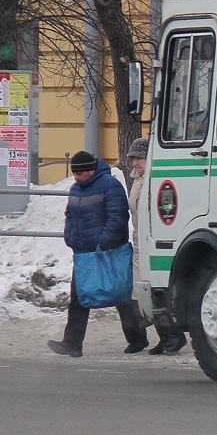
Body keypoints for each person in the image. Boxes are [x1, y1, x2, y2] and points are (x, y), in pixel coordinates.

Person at [48, 151, 148, 357]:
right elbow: (69, 215)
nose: (75, 177)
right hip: (84, 254)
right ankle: (72, 343)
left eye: (79, 173)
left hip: (109, 252)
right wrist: (70, 237)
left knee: (120, 293)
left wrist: (105, 243)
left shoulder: (110, 186)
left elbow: (118, 217)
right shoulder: (76, 189)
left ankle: (137, 337)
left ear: (91, 170)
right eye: (74, 173)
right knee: (79, 296)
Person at [125, 138, 187, 355]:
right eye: (133, 159)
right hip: (138, 241)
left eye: (139, 158)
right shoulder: (138, 180)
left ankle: (174, 335)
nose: (135, 163)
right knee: (142, 292)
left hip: (151, 240)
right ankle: (164, 336)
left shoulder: (156, 180)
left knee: (155, 290)